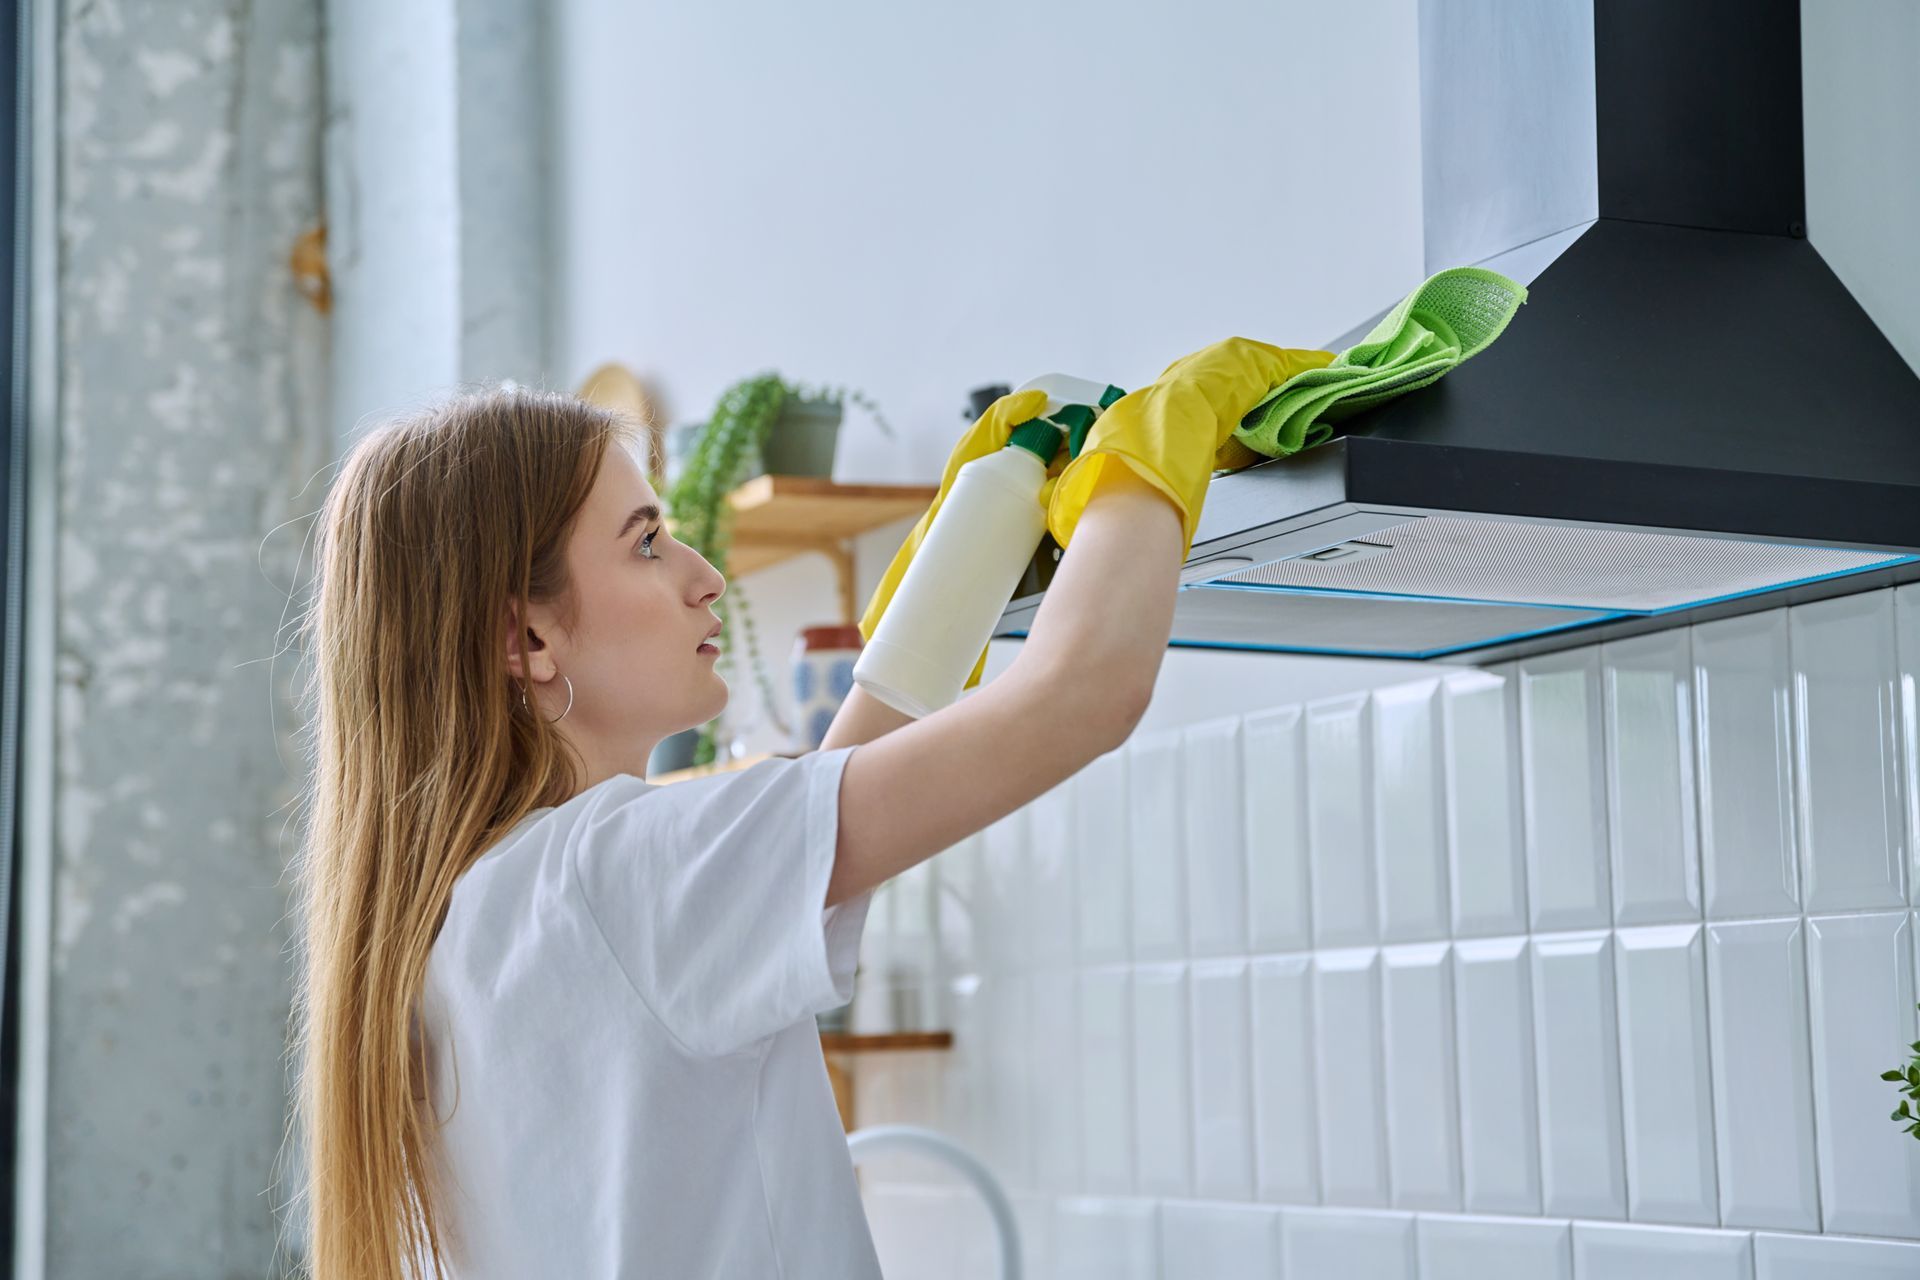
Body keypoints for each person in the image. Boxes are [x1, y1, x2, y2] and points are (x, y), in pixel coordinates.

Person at [284, 338, 1314, 1278]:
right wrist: (1156, 448)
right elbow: (1083, 692)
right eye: (647, 543)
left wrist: (974, 534)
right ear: (529, 640)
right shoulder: (616, 875)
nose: (705, 577)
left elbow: (844, 792)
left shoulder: (474, 914)